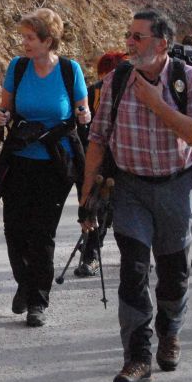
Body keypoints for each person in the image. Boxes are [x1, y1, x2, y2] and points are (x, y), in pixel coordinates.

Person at [81, 8, 192, 382]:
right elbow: (98, 138)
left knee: (173, 275)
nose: (129, 42)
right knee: (134, 272)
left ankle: (170, 330)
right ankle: (137, 357)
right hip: (131, 190)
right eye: (129, 35)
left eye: (137, 37)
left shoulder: (190, 80)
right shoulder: (117, 80)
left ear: (162, 43)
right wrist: (87, 193)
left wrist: (158, 104)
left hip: (176, 186)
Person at [0, 8, 91, 328]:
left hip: (55, 162)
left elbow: (81, 109)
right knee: (14, 229)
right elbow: (5, 108)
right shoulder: (18, 68)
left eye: (31, 38)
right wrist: (2, 117)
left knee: (41, 232)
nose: (25, 43)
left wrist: (84, 115)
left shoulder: (68, 69)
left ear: (49, 40)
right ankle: (25, 282)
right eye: (24, 37)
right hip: (20, 158)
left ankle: (38, 299)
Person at [73, 51, 126, 278]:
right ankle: (90, 254)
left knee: (121, 210)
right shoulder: (93, 92)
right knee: (96, 207)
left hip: (124, 161)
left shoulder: (130, 91)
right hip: (99, 159)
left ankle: (131, 255)